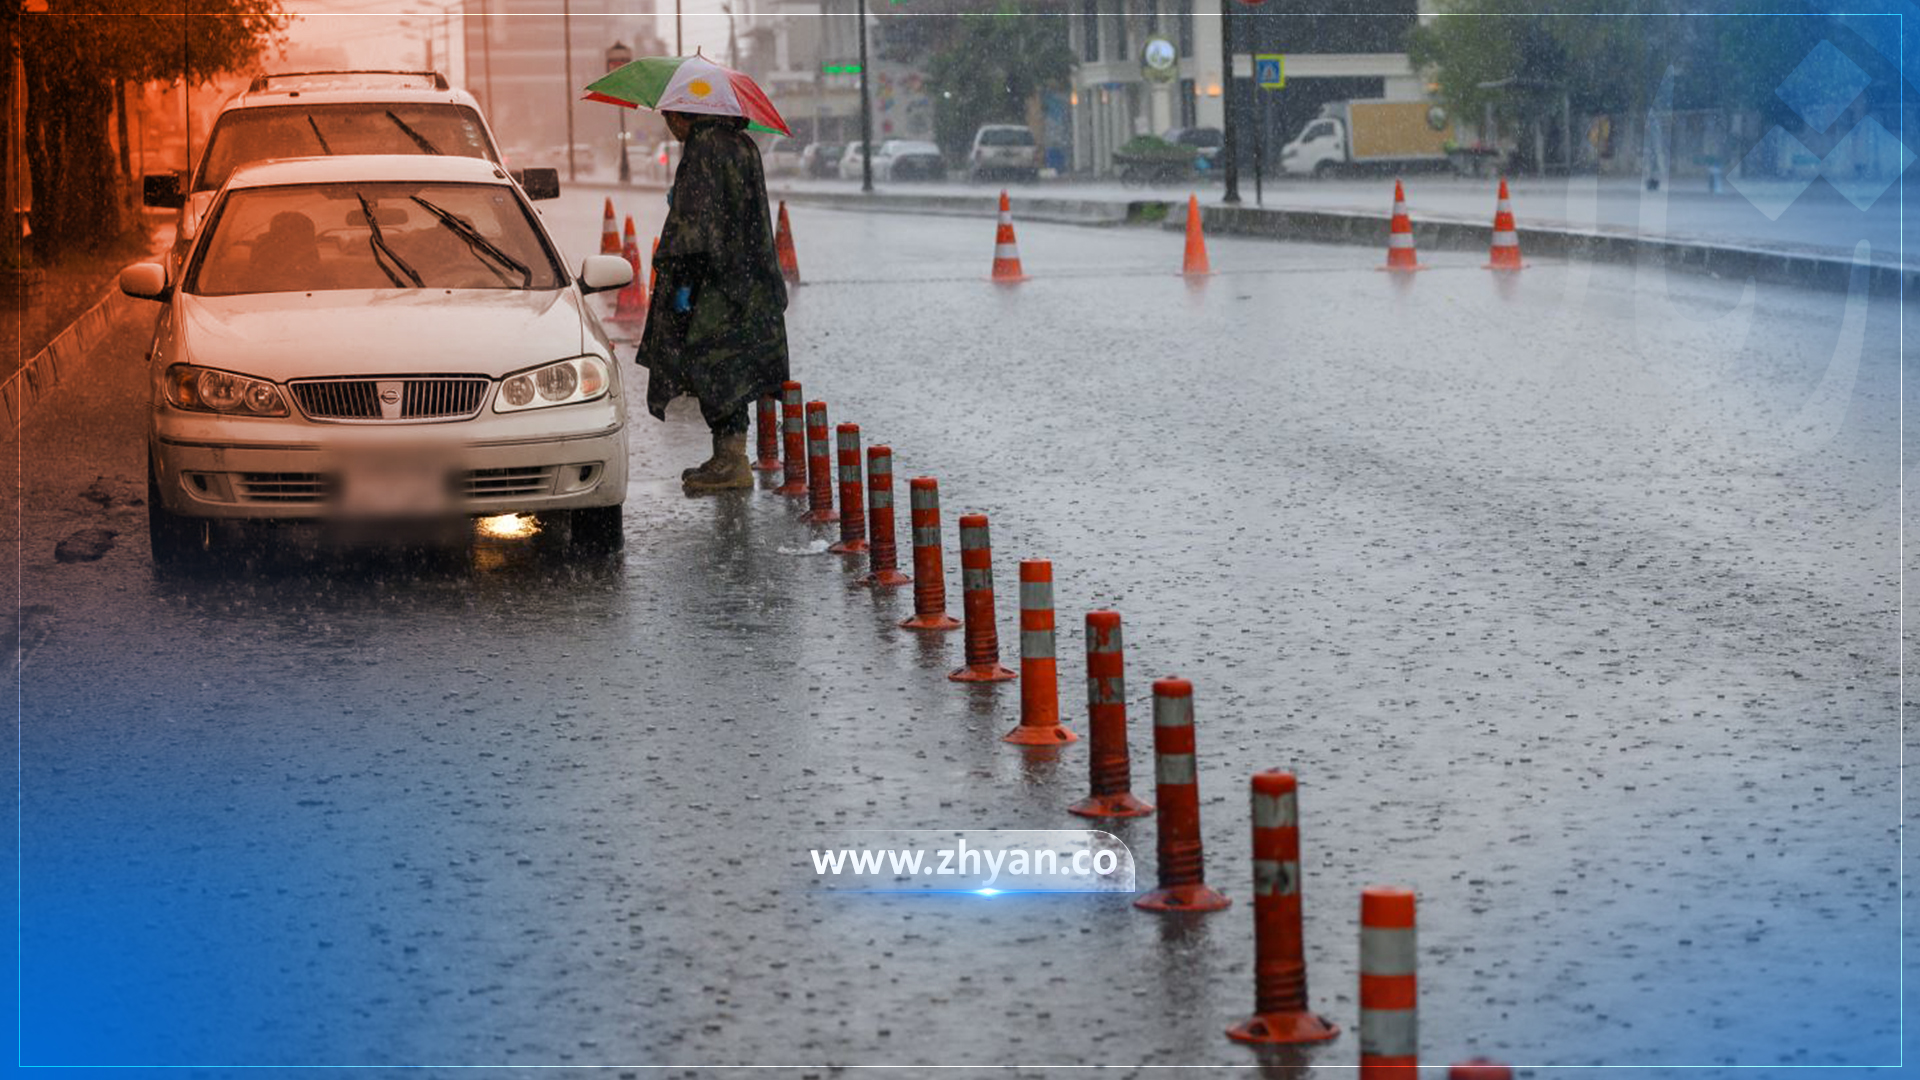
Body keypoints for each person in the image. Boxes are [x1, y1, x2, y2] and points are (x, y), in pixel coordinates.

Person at [636, 109, 790, 494]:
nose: (668, 126)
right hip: (747, 278)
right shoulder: (742, 144)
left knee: (711, 363)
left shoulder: (703, 147)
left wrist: (682, 288)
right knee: (734, 366)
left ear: (679, 115)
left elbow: (694, 229)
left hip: (715, 281)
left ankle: (732, 462)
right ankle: (729, 454)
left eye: (668, 117)